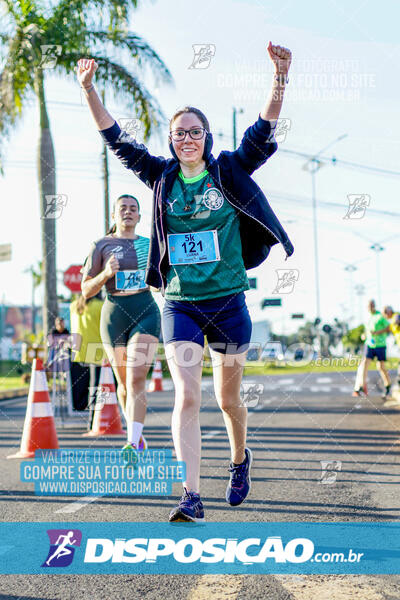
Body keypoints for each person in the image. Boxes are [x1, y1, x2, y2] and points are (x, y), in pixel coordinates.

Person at [76, 40, 294, 522]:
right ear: (172, 141)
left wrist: (280, 76)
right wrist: (89, 89)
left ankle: (239, 459)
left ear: (207, 137)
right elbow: (115, 140)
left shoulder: (229, 171)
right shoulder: (159, 179)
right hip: (180, 304)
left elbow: (263, 131)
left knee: (227, 398)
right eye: (179, 134)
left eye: (194, 132)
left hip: (228, 303)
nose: (186, 139)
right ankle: (190, 495)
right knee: (189, 395)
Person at [81, 194, 161, 454]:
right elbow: (86, 291)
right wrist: (106, 273)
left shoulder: (150, 245)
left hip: (145, 310)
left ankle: (133, 442)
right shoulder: (101, 245)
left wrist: (158, 283)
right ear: (114, 215)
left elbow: (163, 281)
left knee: (137, 376)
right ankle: (134, 433)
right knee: (124, 383)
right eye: (123, 208)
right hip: (114, 313)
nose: (128, 212)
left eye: (133, 209)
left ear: (139, 216)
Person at [69, 293, 104, 424]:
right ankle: (93, 421)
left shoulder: (73, 306)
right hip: (97, 353)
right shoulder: (101, 306)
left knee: (81, 389)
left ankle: (87, 418)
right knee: (96, 389)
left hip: (78, 353)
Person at [352, 299, 391, 399]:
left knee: (380, 367)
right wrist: (364, 336)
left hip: (380, 345)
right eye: (368, 306)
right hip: (369, 344)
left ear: (374, 306)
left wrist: (377, 333)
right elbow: (368, 331)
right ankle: (362, 386)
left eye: (371, 305)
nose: (370, 307)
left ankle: (387, 386)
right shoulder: (367, 317)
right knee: (364, 364)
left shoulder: (380, 316)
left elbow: (388, 328)